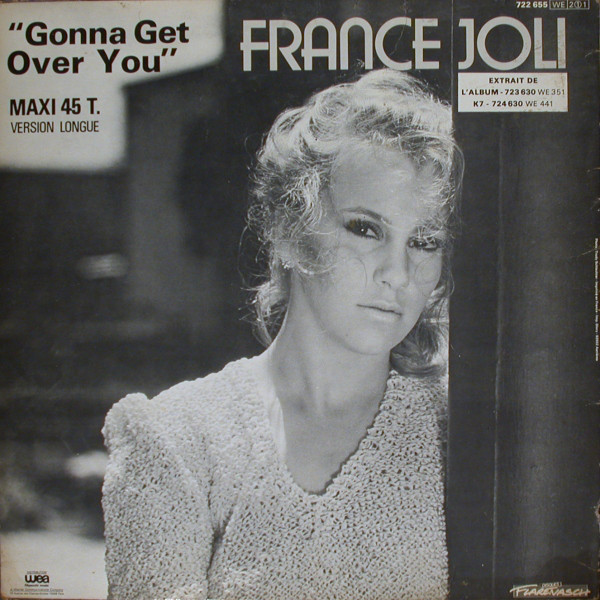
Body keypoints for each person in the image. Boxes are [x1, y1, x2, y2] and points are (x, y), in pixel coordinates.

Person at [102, 69, 463, 600]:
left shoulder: (461, 429)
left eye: (425, 241)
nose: (397, 273)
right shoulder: (178, 438)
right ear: (288, 232)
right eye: (365, 229)